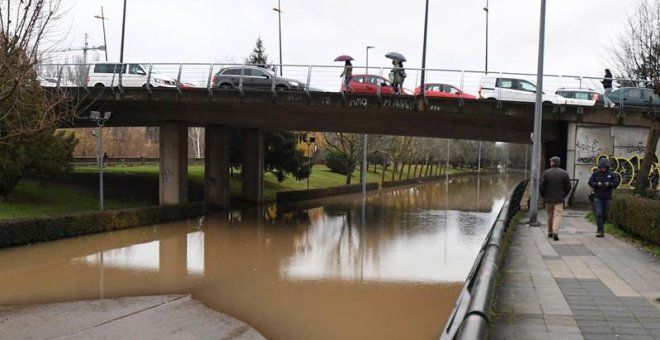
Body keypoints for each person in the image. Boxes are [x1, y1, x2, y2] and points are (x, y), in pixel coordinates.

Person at [539, 156, 571, 241]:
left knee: (549, 215)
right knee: (558, 215)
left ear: (553, 163)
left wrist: (543, 196)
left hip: (548, 199)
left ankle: (550, 232)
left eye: (551, 161)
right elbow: (568, 187)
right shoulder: (564, 173)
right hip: (559, 199)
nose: (550, 163)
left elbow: (541, 186)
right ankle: (555, 232)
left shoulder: (546, 173)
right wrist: (564, 195)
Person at [588, 158, 620, 237]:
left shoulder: (612, 174)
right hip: (598, 196)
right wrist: (596, 184)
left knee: (605, 214)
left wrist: (609, 184)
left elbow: (616, 183)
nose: (603, 168)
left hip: (607, 197)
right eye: (602, 167)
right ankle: (600, 230)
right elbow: (590, 182)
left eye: (604, 167)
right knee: (599, 213)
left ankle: (600, 225)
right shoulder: (596, 174)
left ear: (607, 167)